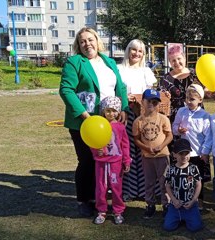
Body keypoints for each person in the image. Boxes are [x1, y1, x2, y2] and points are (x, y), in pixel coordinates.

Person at [59, 27, 128, 217]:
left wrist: (123, 108)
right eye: (82, 41)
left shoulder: (109, 62)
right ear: (78, 46)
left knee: (106, 160)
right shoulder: (74, 63)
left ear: (97, 41)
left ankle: (102, 198)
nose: (87, 44)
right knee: (87, 161)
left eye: (90, 40)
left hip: (108, 122)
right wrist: (84, 115)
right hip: (84, 123)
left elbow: (120, 86)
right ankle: (84, 200)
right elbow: (66, 89)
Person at [118, 39, 157, 201]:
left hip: (143, 116)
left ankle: (147, 191)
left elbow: (153, 93)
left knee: (144, 151)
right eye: (133, 50)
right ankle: (129, 190)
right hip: (125, 115)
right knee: (127, 152)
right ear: (128, 50)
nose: (136, 53)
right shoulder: (119, 69)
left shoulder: (146, 71)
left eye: (140, 51)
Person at [132, 89, 173, 219]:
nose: (151, 104)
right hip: (147, 157)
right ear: (142, 102)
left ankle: (166, 204)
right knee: (149, 182)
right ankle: (150, 204)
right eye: (148, 101)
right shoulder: (138, 121)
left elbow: (169, 135)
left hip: (162, 156)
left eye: (155, 102)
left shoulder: (163, 118)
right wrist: (145, 148)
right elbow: (136, 139)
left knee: (164, 181)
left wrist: (161, 146)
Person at [90, 96, 131, 225]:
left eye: (114, 111)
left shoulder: (120, 127)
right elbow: (92, 141)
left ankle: (118, 211)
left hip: (116, 163)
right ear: (103, 111)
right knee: (101, 188)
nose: (111, 114)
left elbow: (125, 145)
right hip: (101, 163)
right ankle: (101, 211)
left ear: (118, 112)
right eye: (108, 110)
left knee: (116, 187)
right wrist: (97, 151)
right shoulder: (98, 125)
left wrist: (126, 161)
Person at [172, 84, 211, 210]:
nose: (189, 101)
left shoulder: (204, 115)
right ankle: (185, 197)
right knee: (186, 177)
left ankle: (199, 199)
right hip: (185, 153)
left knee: (198, 178)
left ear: (200, 100)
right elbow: (174, 127)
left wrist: (205, 152)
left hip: (198, 153)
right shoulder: (181, 111)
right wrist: (178, 130)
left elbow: (208, 136)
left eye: (192, 99)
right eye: (187, 98)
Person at [163, 138, 204, 232]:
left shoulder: (194, 168)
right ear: (174, 154)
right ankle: (177, 217)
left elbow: (198, 184)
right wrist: (173, 200)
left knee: (195, 227)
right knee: (168, 227)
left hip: (190, 205)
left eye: (187, 153)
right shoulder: (170, 168)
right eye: (181, 154)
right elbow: (167, 185)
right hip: (175, 206)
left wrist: (193, 200)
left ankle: (189, 217)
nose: (184, 156)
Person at [158, 44, 202, 124]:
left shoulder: (196, 74)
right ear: (170, 63)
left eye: (179, 58)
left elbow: (207, 91)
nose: (177, 62)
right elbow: (159, 99)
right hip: (175, 120)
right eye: (173, 60)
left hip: (197, 118)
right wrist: (165, 96)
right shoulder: (165, 79)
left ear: (184, 58)